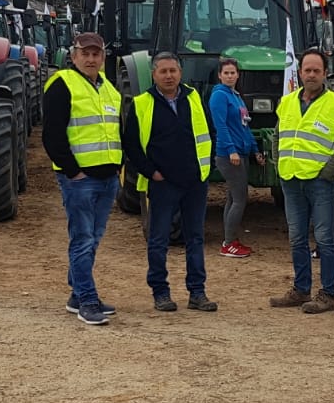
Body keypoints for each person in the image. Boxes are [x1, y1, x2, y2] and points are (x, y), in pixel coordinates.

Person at [122, 53, 218, 313]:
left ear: (180, 72)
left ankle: (197, 292)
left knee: (195, 237)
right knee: (158, 239)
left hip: (195, 181)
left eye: (172, 71)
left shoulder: (194, 97)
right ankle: (160, 293)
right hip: (163, 183)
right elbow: (131, 144)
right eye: (163, 71)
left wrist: (206, 166)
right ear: (153, 75)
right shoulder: (142, 104)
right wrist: (151, 172)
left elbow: (209, 132)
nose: (168, 76)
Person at [41, 32, 122, 326]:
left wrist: (118, 165)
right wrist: (72, 170)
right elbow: (52, 134)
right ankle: (87, 300)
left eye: (95, 54)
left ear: (103, 58)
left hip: (107, 177)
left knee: (93, 238)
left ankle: (77, 294)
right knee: (83, 239)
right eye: (84, 54)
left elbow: (115, 132)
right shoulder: (62, 84)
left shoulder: (108, 89)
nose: (90, 59)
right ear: (73, 56)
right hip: (80, 180)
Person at [270, 50, 334, 314]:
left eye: (316, 70)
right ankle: (301, 289)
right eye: (307, 70)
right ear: (300, 72)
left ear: (325, 74)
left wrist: (328, 172)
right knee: (296, 238)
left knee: (324, 239)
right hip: (291, 180)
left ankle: (327, 294)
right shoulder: (287, 102)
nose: (311, 75)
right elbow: (277, 135)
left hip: (321, 183)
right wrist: (278, 162)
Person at [209, 58, 265, 258]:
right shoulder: (219, 97)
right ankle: (229, 243)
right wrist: (231, 150)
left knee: (233, 198)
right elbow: (221, 126)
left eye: (233, 73)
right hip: (228, 155)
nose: (230, 76)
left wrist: (255, 150)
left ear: (238, 75)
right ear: (220, 75)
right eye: (226, 73)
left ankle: (230, 239)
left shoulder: (237, 97)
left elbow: (244, 126)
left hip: (240, 152)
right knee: (240, 199)